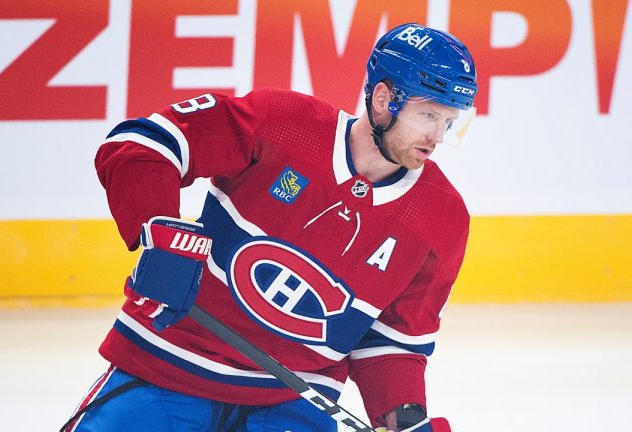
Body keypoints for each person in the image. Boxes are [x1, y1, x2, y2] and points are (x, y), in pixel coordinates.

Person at [63, 22, 478, 432]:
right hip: (168, 364)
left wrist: (403, 416)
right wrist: (158, 229)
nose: (437, 136)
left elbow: (391, 341)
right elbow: (141, 145)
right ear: (384, 98)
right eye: (427, 115)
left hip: (292, 403)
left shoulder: (443, 218)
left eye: (448, 121)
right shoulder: (282, 122)